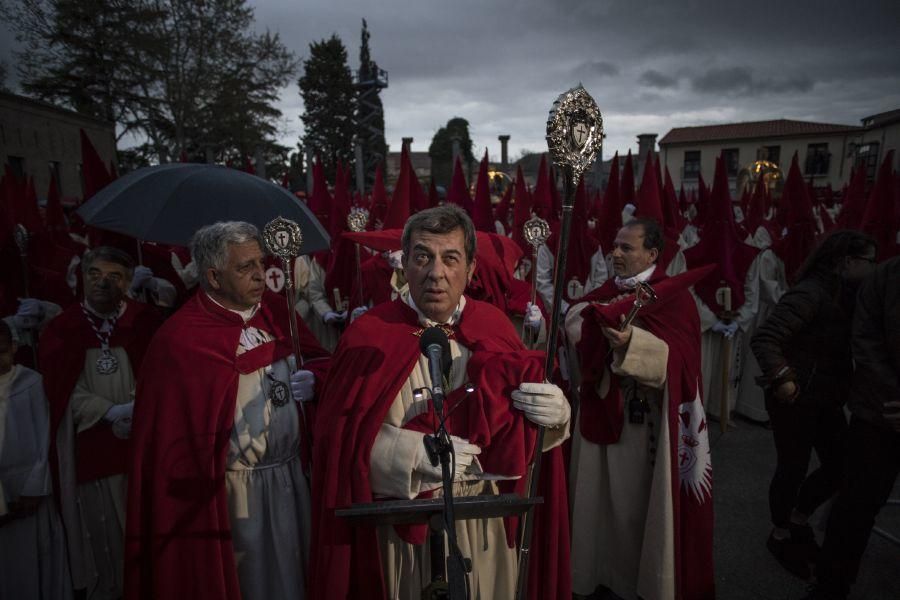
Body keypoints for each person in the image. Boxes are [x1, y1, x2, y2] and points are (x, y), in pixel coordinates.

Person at [310, 204, 572, 600]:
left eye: (451, 259)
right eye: (422, 257)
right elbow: (337, 442)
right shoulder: (368, 334)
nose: (436, 273)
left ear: (470, 270)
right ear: (405, 268)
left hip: (483, 523)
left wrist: (556, 419)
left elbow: (519, 439)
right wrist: (408, 454)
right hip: (404, 529)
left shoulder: (496, 326)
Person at [125, 221, 330, 600]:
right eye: (245, 267)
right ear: (214, 276)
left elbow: (320, 359)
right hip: (233, 492)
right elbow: (175, 437)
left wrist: (316, 379)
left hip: (293, 477)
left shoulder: (277, 312)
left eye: (260, 262)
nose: (259, 275)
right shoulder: (180, 340)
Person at [565, 217, 715, 600]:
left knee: (634, 514)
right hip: (598, 414)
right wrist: (584, 322)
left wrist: (633, 344)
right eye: (615, 245)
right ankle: (594, 573)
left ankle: (635, 581)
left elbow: (681, 362)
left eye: (626, 248)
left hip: (644, 424)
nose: (615, 253)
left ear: (651, 253)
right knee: (595, 505)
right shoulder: (603, 292)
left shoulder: (674, 299)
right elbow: (575, 323)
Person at [750, 230, 877, 580]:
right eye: (869, 260)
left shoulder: (848, 294)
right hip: (794, 396)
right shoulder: (812, 292)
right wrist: (783, 376)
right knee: (793, 467)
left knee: (841, 465)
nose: (874, 268)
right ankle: (780, 534)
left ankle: (798, 519)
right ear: (847, 261)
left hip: (826, 397)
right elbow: (766, 337)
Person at [39, 246, 164, 600]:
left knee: (145, 540)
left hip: (141, 454)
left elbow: (163, 374)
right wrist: (109, 411)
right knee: (104, 546)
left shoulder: (145, 321)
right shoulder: (63, 329)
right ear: (82, 277)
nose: (102, 284)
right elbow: (60, 392)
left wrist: (140, 406)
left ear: (128, 282)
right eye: (95, 274)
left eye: (114, 277)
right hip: (91, 455)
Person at [804, 255, 900, 600]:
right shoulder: (886, 277)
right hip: (879, 413)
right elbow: (866, 340)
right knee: (854, 508)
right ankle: (830, 587)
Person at [0, 321, 72, 599]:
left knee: (38, 564)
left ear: (15, 348)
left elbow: (45, 437)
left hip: (33, 492)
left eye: (2, 351)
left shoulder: (30, 382)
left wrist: (34, 490)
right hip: (2, 496)